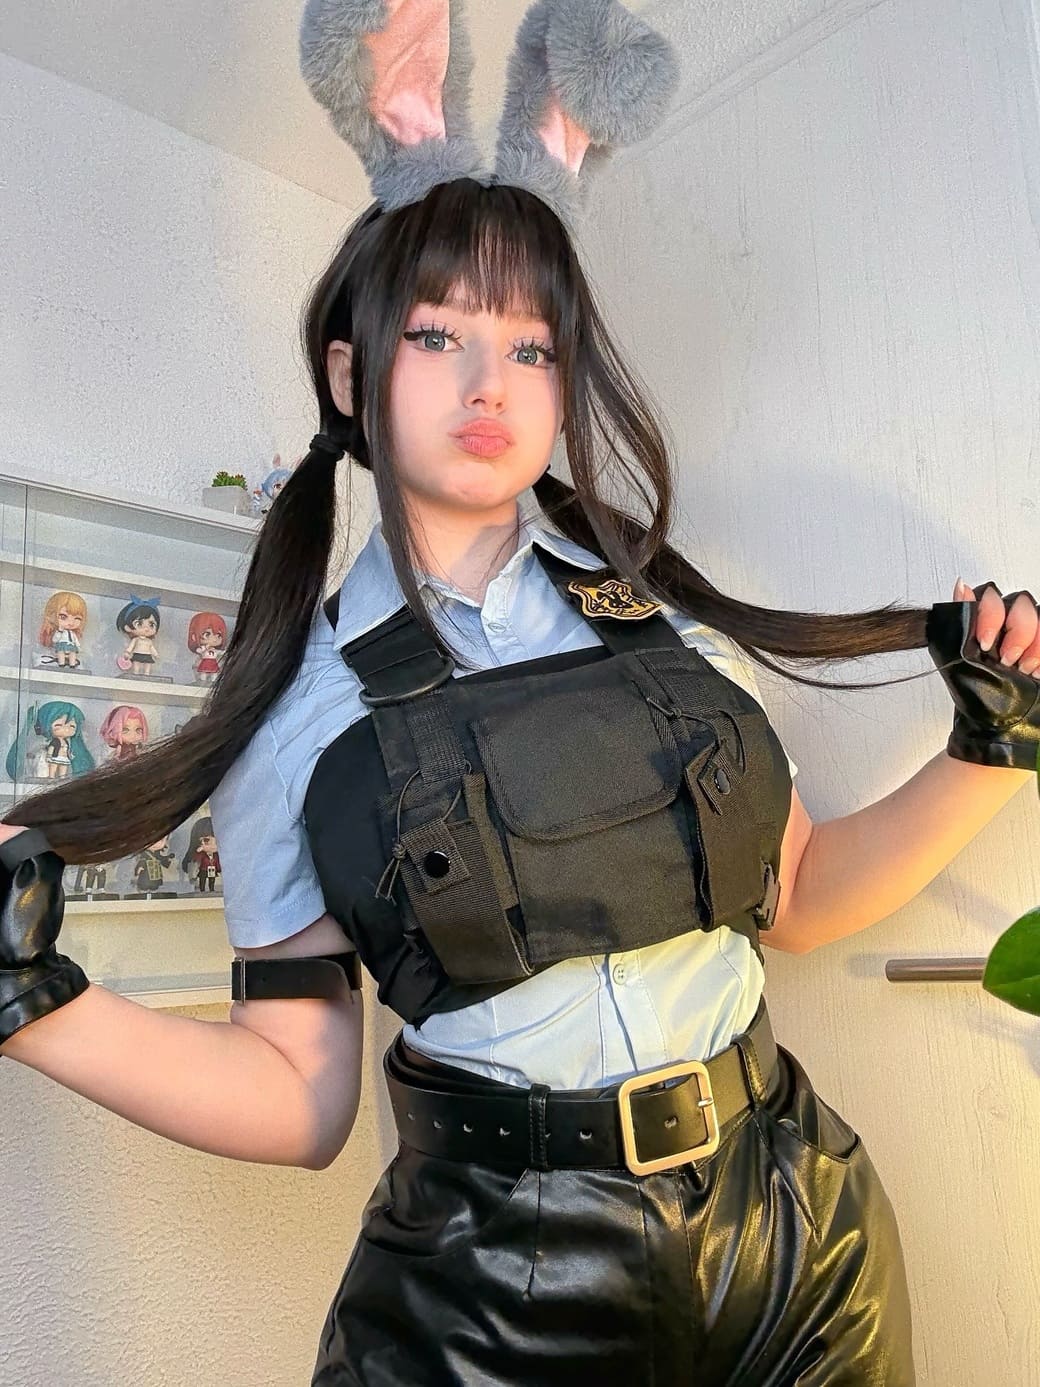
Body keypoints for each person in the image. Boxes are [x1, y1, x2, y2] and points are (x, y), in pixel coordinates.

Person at [1, 2, 1038, 1383]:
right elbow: (299, 1096)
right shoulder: (297, 719)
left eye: (533, 347)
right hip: (500, 1288)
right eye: (439, 335)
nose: (491, 381)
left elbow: (797, 896)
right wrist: (34, 1000)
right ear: (351, 371)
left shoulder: (664, 621)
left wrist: (992, 745)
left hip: (800, 1234)